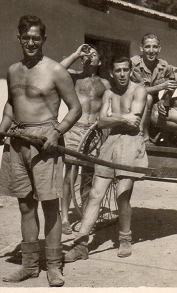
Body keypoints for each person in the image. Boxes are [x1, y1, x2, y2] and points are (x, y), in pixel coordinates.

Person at [0, 15, 82, 286]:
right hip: (17, 140)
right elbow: (12, 103)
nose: (31, 42)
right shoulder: (12, 70)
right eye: (26, 38)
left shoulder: (56, 70)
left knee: (50, 206)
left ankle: (54, 267)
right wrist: (1, 129)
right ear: (18, 39)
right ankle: (30, 265)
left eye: (36, 38)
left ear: (43, 39)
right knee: (25, 205)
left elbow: (76, 108)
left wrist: (57, 133)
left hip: (45, 142)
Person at [64, 56, 147, 262]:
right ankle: (81, 244)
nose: (122, 74)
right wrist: (122, 117)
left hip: (131, 143)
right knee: (95, 194)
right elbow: (101, 123)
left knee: (122, 194)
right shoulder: (109, 92)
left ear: (130, 71)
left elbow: (134, 122)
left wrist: (115, 118)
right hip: (110, 143)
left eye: (125, 70)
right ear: (112, 72)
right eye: (118, 70)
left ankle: (125, 238)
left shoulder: (139, 91)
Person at [59, 44, 111, 235]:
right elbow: (56, 70)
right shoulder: (74, 76)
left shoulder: (105, 84)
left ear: (100, 61)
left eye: (93, 54)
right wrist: (76, 53)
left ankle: (86, 215)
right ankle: (64, 217)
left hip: (94, 133)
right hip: (74, 130)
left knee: (89, 175)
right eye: (86, 55)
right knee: (69, 175)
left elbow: (112, 104)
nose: (89, 57)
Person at [130, 33, 177, 143]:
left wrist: (164, 99)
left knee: (176, 103)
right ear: (141, 48)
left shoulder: (164, 65)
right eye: (147, 47)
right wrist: (161, 86)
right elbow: (134, 91)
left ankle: (168, 139)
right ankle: (144, 135)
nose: (151, 51)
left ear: (159, 49)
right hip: (133, 102)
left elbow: (173, 84)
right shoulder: (133, 63)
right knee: (148, 97)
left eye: (155, 47)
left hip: (153, 104)